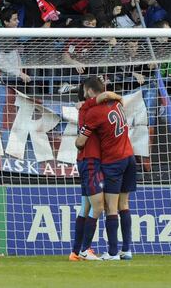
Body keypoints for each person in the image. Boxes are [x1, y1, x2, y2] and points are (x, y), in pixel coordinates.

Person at [76, 76, 136, 260]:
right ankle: (126, 250)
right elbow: (115, 97)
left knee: (110, 208)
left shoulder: (94, 112)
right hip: (129, 157)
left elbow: (81, 142)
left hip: (113, 161)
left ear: (90, 91)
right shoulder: (117, 103)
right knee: (124, 205)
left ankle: (112, 253)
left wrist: (78, 141)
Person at [70, 83, 122, 261]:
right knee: (98, 206)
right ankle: (86, 250)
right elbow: (104, 95)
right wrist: (118, 97)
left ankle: (75, 252)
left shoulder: (87, 109)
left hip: (86, 160)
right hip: (90, 161)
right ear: (89, 92)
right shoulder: (88, 106)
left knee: (85, 207)